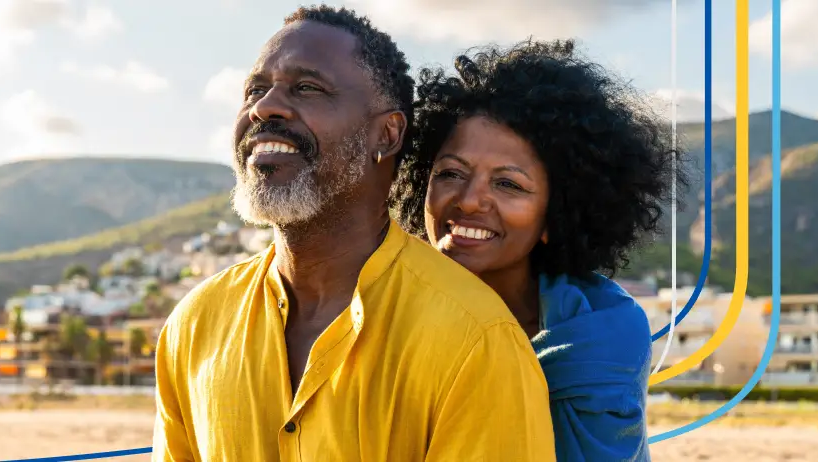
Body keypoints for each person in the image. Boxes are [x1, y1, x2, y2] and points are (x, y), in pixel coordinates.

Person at [151, 7, 555, 462]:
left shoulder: (476, 340)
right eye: (255, 90)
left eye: (307, 88)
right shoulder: (194, 326)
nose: (265, 108)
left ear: (386, 133)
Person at [391, 39, 689, 461]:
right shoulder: (376, 311)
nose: (470, 200)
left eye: (508, 183)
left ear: (556, 214)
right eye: (451, 173)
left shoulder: (602, 334)